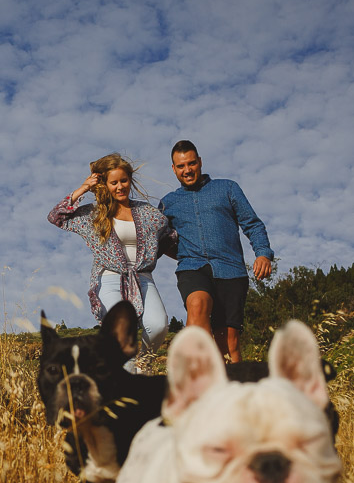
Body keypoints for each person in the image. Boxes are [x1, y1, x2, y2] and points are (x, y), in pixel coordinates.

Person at [48, 153, 177, 366]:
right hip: (109, 279)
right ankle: (127, 383)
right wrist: (84, 188)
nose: (120, 187)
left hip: (142, 278)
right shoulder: (95, 215)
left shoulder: (147, 213)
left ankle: (143, 366)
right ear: (105, 185)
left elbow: (168, 238)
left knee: (159, 325)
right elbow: (56, 216)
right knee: (120, 334)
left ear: (130, 180)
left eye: (123, 181)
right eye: (113, 182)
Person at [157, 140, 273, 363]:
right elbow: (156, 239)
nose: (187, 170)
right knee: (197, 305)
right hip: (192, 267)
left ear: (200, 162)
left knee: (229, 346)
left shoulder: (227, 188)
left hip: (231, 270)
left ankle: (231, 392)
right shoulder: (168, 203)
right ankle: (193, 375)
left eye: (191, 163)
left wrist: (263, 253)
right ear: (173, 169)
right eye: (181, 166)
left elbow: (252, 223)